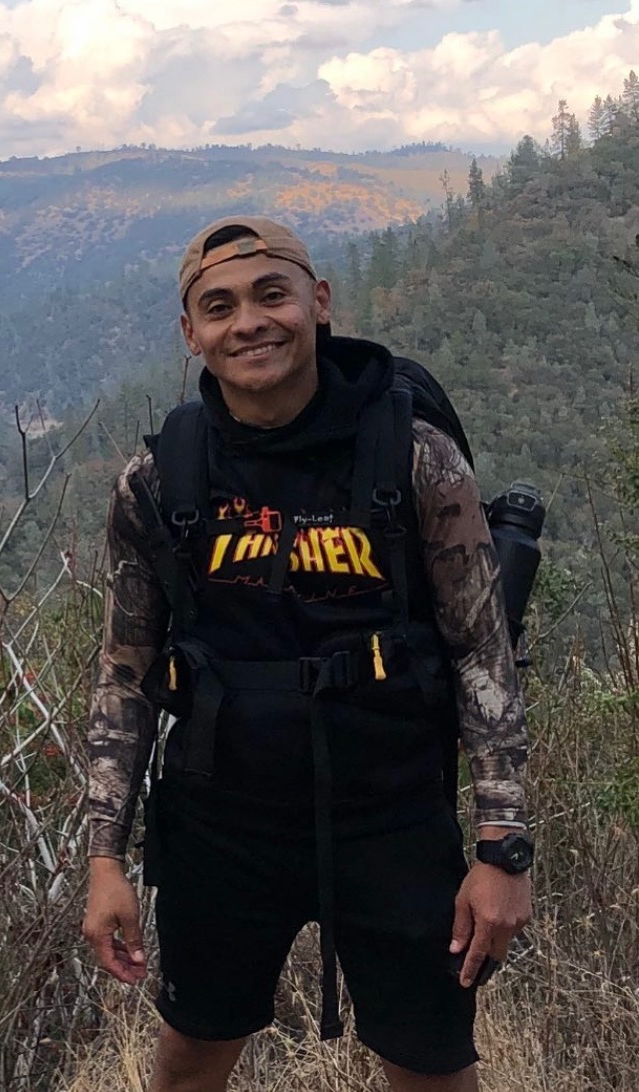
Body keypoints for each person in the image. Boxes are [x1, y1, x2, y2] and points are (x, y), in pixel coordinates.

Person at [83, 216, 532, 1092]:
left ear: (317, 302)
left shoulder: (415, 457)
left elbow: (482, 652)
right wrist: (105, 858)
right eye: (219, 307)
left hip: (391, 818)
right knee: (187, 1062)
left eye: (270, 295)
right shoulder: (158, 480)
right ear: (190, 334)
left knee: (430, 1069)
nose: (248, 322)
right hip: (219, 825)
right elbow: (124, 674)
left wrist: (500, 849)